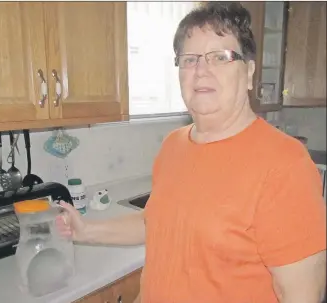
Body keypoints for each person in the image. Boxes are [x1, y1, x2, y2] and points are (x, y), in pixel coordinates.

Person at [57, 2, 326, 302]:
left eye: (220, 57)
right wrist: (86, 231)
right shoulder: (174, 145)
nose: (201, 70)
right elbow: (157, 224)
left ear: (249, 72)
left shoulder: (284, 165)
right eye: (190, 59)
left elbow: (302, 295)